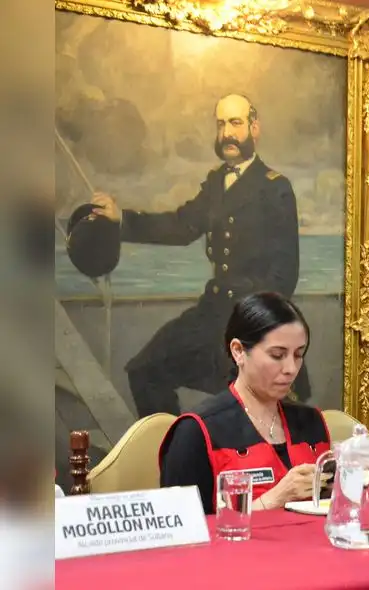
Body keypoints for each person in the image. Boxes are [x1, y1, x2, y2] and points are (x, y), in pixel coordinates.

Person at [83, 93, 308, 417]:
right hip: (212, 313)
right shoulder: (216, 182)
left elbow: (284, 276)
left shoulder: (275, 187)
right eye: (221, 124)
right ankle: (175, 447)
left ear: (254, 128)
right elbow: (182, 226)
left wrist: (258, 331)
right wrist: (123, 219)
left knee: (240, 410)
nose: (227, 133)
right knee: (145, 371)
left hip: (254, 321)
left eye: (235, 123)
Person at [159, 292, 331, 515]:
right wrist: (274, 499)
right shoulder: (195, 431)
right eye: (277, 355)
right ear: (238, 351)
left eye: (298, 355)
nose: (291, 368)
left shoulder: (312, 422)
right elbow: (182, 527)